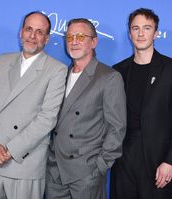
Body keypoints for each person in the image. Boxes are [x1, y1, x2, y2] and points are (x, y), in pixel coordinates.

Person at [0, 11, 67, 199]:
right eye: (29, 29)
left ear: (47, 39)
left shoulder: (57, 69)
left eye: (39, 32)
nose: (32, 36)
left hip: (24, 163)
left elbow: (47, 118)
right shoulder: (3, 60)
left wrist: (10, 151)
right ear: (21, 32)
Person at [110, 8, 172, 199]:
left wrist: (170, 161)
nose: (141, 33)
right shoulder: (117, 72)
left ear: (156, 33)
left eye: (147, 28)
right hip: (122, 160)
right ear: (129, 33)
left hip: (158, 162)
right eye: (135, 28)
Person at [45, 18, 126, 199]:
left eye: (81, 36)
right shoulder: (60, 75)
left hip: (86, 172)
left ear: (94, 42)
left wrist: (100, 166)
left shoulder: (109, 77)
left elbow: (117, 128)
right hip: (54, 171)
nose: (74, 41)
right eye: (70, 37)